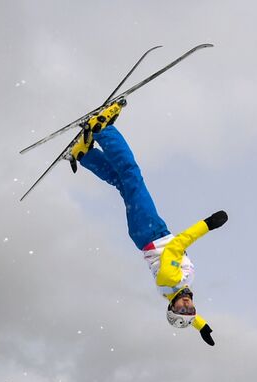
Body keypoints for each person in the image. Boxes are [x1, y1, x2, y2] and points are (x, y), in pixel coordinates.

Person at [68, 106, 228, 346]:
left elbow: (177, 246)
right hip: (146, 233)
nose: (186, 306)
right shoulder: (175, 290)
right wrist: (201, 326)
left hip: (149, 230)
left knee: (132, 175)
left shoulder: (170, 279)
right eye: (189, 310)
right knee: (125, 184)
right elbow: (188, 314)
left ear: (172, 306)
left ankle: (102, 128)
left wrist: (209, 224)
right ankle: (84, 154)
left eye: (181, 309)